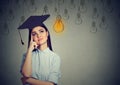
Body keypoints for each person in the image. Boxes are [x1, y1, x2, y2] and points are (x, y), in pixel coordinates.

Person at [18, 14, 61, 85]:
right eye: (34, 34)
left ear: (47, 33)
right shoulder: (26, 55)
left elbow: (50, 84)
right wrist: (29, 50)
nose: (38, 35)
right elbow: (26, 74)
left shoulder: (55, 57)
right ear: (32, 38)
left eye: (41, 31)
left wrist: (28, 80)